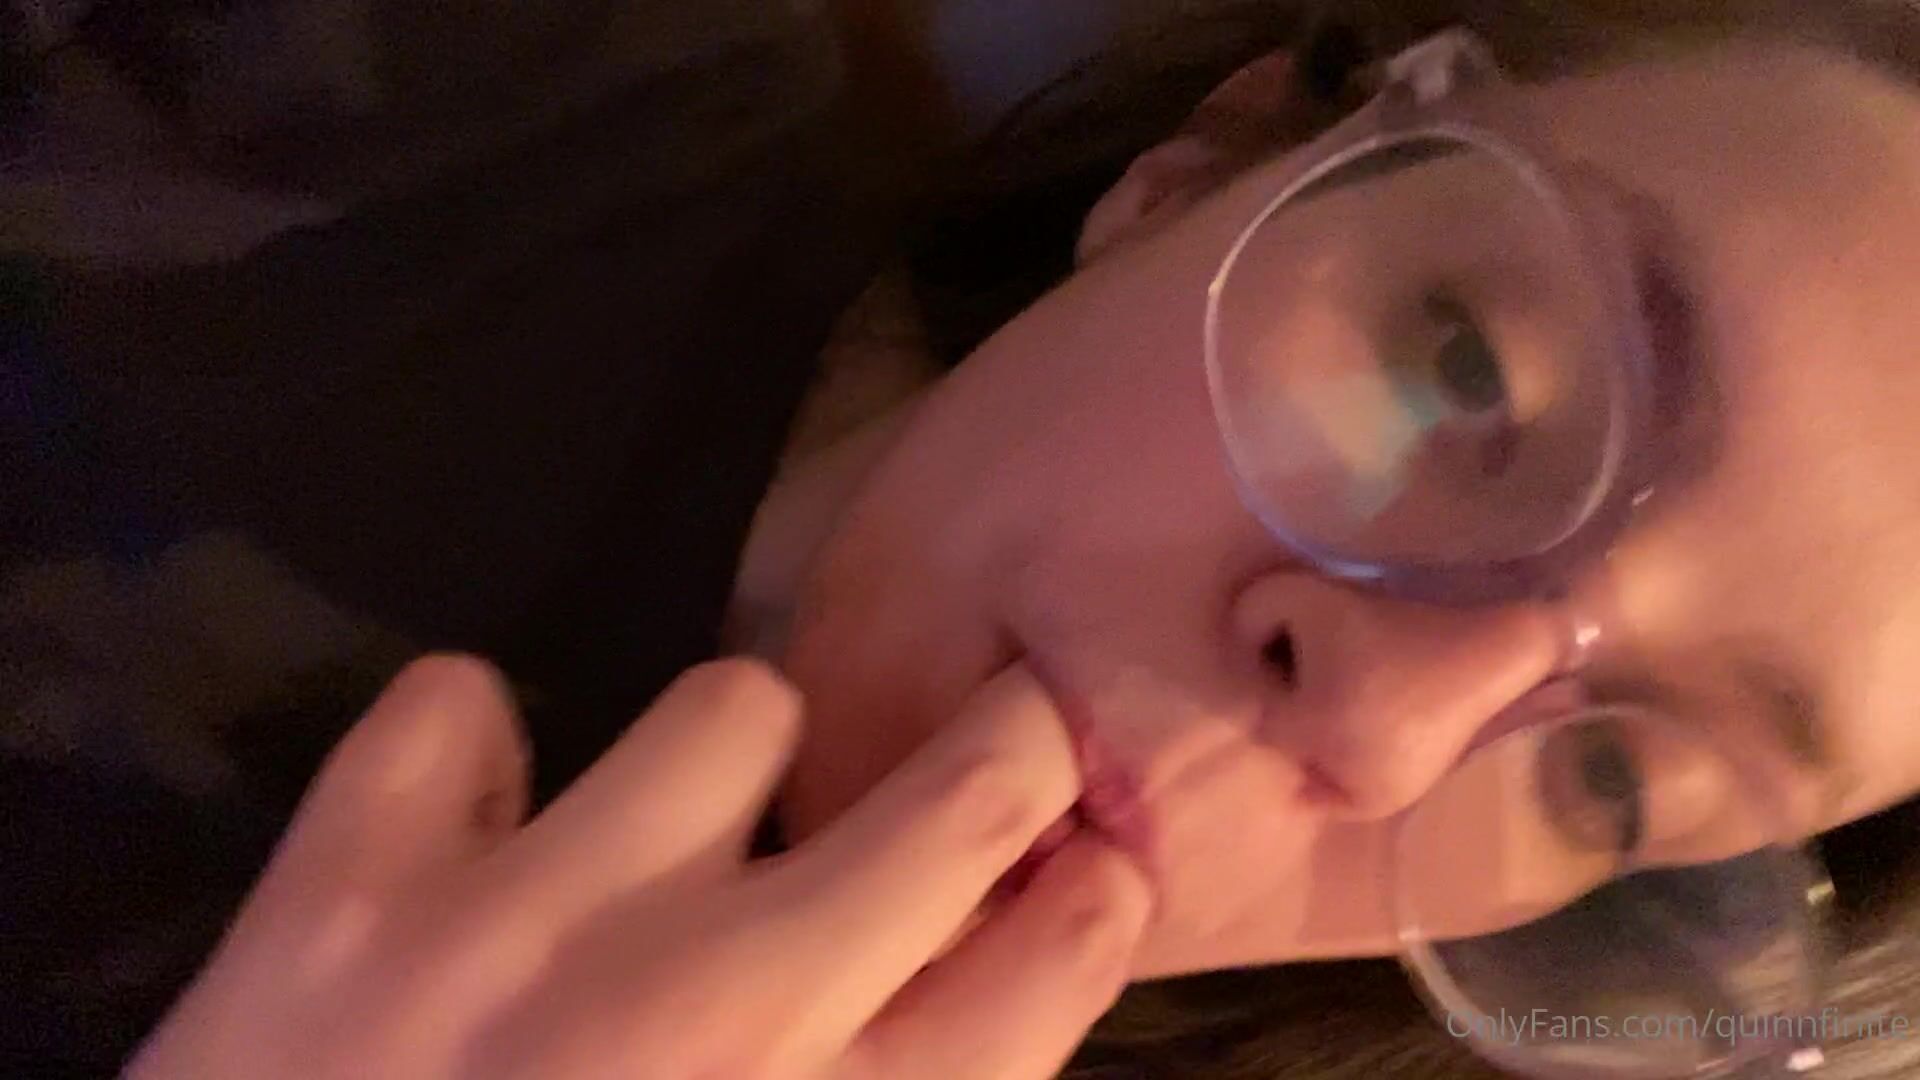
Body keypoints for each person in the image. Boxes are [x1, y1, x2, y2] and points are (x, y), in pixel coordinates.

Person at [121, 2, 1920, 1077]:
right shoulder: (439, 75)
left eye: (1611, 782)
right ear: (1216, 162)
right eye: (1469, 372)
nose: (1381, 727)